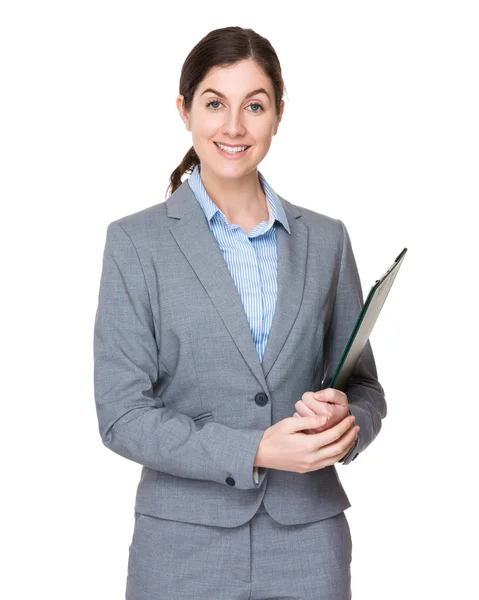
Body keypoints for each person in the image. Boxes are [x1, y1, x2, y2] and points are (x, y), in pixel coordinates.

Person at [93, 25, 387, 600]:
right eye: (214, 103)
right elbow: (121, 414)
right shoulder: (135, 242)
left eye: (254, 105)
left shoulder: (326, 240)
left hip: (309, 542)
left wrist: (344, 423)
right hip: (181, 545)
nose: (233, 126)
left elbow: (367, 388)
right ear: (184, 110)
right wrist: (254, 449)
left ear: (279, 113)